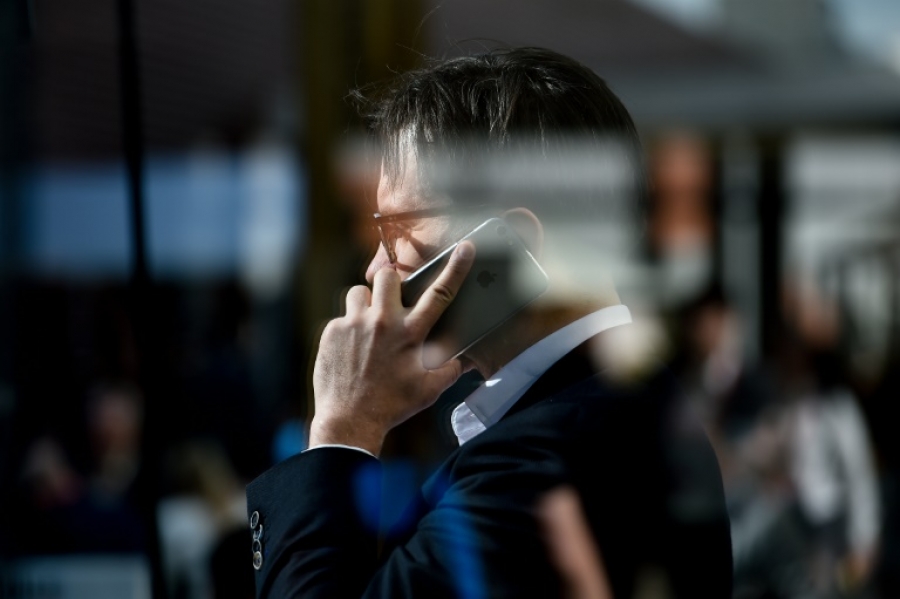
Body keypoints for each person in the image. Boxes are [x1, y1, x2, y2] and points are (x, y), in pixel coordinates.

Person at [246, 47, 733, 598]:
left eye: (394, 230)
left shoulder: (543, 459)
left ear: (512, 245)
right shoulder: (613, 413)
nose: (375, 269)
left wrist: (341, 431)